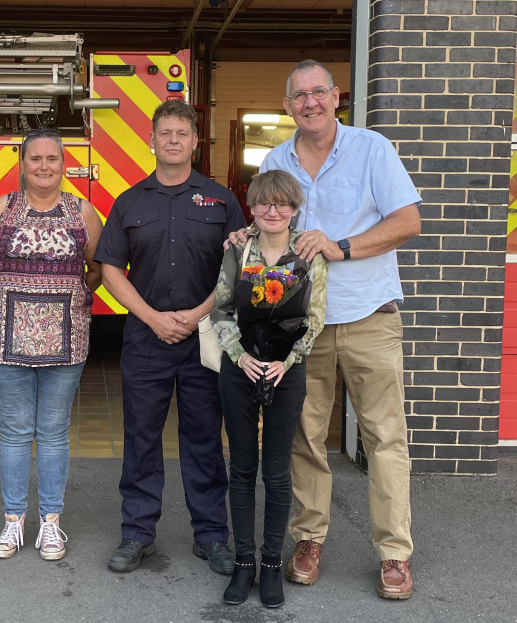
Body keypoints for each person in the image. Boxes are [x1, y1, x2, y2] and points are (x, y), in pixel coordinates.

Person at [245, 59, 421, 600]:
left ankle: (394, 554)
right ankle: (309, 538)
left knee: (384, 438)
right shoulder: (277, 159)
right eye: (300, 96)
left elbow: (408, 221)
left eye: (319, 92)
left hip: (369, 314)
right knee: (305, 436)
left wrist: (339, 247)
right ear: (287, 104)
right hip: (304, 326)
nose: (311, 103)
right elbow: (269, 228)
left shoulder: (372, 148)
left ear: (336, 96)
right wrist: (244, 243)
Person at [95, 100, 246, 576]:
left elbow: (238, 267)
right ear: (153, 140)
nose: (174, 140)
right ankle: (137, 534)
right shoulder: (130, 202)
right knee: (141, 438)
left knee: (203, 438)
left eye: (183, 132)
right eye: (166, 133)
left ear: (195, 141)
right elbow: (110, 269)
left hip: (204, 338)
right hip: (145, 338)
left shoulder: (223, 202)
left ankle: (211, 536)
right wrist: (152, 317)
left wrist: (195, 314)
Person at [0, 128, 103, 562]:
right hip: (7, 340)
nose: (44, 166)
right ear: (22, 164)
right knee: (13, 432)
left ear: (64, 164)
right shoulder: (0, 209)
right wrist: (15, 292)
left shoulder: (83, 212)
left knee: (52, 433)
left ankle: (51, 523)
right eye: (35, 159)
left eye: (52, 159)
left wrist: (67, 298)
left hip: (66, 342)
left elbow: (98, 270)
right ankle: (13, 522)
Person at [211, 170, 327, 608]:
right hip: (240, 365)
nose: (273, 211)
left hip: (285, 369)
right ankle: (244, 563)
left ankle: (272, 564)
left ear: (294, 208)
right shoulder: (238, 250)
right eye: (264, 204)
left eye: (281, 204)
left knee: (277, 472)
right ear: (253, 209)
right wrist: (239, 354)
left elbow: (315, 317)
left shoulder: (308, 253)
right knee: (241, 468)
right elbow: (221, 305)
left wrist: (287, 361)